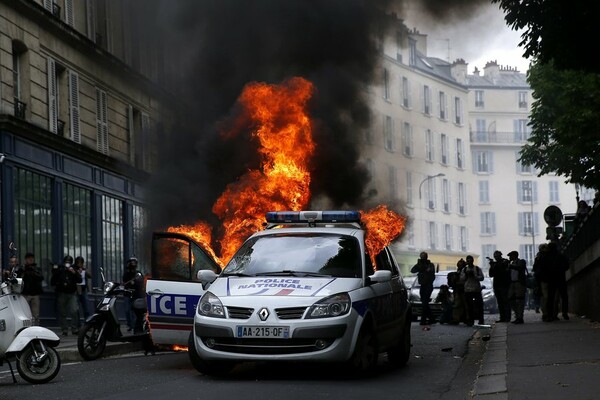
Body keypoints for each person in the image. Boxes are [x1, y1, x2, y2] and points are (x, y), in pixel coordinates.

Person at [51, 255, 82, 335]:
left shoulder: (73, 270)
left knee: (74, 311)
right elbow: (54, 278)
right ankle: (64, 329)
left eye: (69, 262)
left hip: (72, 293)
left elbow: (80, 280)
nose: (67, 264)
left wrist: (74, 272)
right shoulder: (61, 270)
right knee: (62, 312)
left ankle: (74, 328)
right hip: (62, 293)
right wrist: (56, 269)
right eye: (66, 262)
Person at [411, 251, 436, 325]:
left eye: (424, 257)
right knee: (424, 303)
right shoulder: (420, 265)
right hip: (423, 286)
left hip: (428, 285)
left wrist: (424, 268)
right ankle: (431, 318)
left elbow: (430, 272)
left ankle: (423, 320)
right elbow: (412, 270)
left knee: (425, 303)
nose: (422, 258)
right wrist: (418, 266)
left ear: (426, 257)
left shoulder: (430, 265)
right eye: (421, 257)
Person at [459, 255, 484, 326]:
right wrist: (467, 275)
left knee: (479, 305)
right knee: (469, 306)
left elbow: (482, 278)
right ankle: (470, 320)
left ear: (473, 261)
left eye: (470, 260)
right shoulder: (464, 269)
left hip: (476, 289)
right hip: (468, 289)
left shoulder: (477, 269)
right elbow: (462, 279)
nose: (469, 262)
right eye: (468, 260)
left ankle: (481, 319)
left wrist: (474, 276)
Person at [122, 257, 145, 333]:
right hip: (127, 294)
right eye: (131, 263)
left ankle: (134, 327)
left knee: (135, 312)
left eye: (134, 263)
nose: (132, 264)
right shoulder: (127, 273)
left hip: (136, 295)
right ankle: (130, 325)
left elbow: (141, 283)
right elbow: (124, 281)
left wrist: (135, 282)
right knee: (127, 310)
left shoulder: (138, 274)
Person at [21, 252, 44, 326]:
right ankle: (26, 327)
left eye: (32, 258)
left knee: (36, 314)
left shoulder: (37, 268)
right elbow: (20, 278)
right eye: (29, 258)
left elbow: (40, 277)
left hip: (35, 294)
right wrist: (25, 270)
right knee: (25, 313)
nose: (30, 260)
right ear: (25, 259)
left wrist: (32, 271)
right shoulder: (23, 268)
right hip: (25, 293)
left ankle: (36, 327)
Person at [549, 242, 570, 321]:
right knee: (564, 297)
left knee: (552, 297)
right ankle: (565, 313)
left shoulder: (548, 257)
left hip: (552, 279)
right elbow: (567, 265)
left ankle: (553, 314)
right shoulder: (561, 256)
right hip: (561, 278)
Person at [488, 250, 511, 323]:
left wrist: (494, 265)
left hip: (504, 284)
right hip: (497, 284)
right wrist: (492, 265)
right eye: (495, 256)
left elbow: (502, 270)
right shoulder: (495, 264)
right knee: (500, 302)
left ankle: (507, 317)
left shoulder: (504, 262)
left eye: (497, 256)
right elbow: (491, 274)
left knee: (505, 302)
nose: (496, 257)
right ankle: (503, 317)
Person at [506, 250, 527, 324]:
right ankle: (517, 315)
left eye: (510, 256)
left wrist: (511, 266)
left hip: (519, 283)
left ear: (514, 256)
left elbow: (520, 268)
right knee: (510, 299)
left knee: (519, 300)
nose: (509, 257)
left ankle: (520, 317)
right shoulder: (511, 264)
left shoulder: (521, 261)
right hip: (512, 283)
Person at [449, 258, 467, 324]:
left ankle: (464, 318)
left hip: (464, 289)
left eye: (461, 265)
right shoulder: (458, 272)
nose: (459, 266)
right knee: (457, 305)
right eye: (459, 265)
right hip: (458, 290)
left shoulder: (465, 271)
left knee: (464, 305)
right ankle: (457, 319)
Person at [74, 256, 92, 322]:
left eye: (81, 263)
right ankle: (77, 324)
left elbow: (90, 276)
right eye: (78, 263)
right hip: (77, 290)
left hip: (84, 290)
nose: (80, 265)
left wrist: (84, 271)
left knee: (86, 307)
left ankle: (87, 322)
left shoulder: (84, 269)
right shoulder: (74, 269)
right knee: (76, 309)